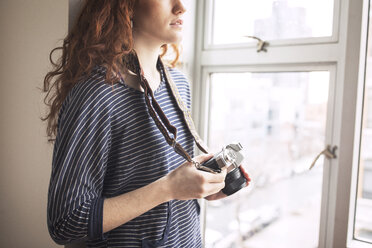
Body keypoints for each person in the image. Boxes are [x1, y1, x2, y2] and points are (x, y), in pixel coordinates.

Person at [43, 0, 250, 247]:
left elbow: (160, 184)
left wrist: (199, 185)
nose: (182, 6)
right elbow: (66, 222)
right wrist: (170, 188)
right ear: (127, 6)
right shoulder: (97, 95)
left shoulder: (179, 85)